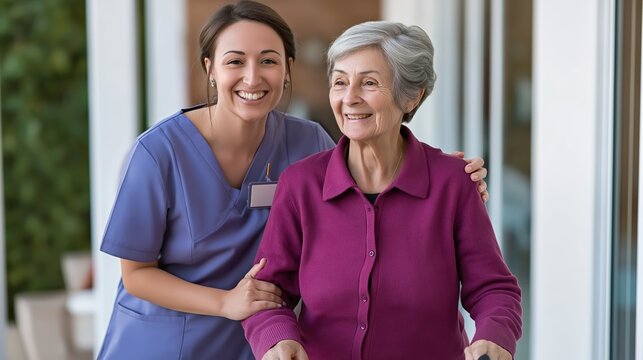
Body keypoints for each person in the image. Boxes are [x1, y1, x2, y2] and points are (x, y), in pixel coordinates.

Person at [97, 2, 489, 359]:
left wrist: (445, 176)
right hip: (163, 343)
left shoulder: (307, 142)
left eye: (268, 60)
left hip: (259, 342)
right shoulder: (157, 153)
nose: (252, 76)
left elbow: (369, 167)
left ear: (287, 70)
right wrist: (225, 303)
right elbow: (135, 274)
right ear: (210, 69)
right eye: (235, 61)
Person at [242, 21, 522, 360]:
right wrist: (278, 340)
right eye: (340, 82)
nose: (349, 98)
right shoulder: (300, 185)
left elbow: (493, 288)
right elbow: (269, 292)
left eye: (369, 83)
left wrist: (495, 336)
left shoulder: (452, 183)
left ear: (411, 95)